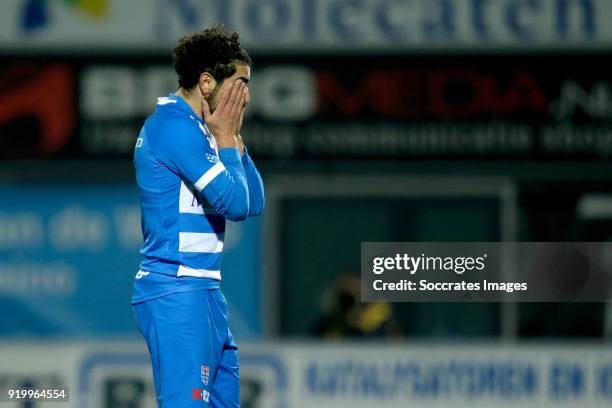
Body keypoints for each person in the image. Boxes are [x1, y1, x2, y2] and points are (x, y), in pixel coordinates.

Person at [131, 25, 264, 407]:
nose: (247, 96)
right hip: (176, 290)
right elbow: (235, 206)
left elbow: (254, 202)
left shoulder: (203, 130)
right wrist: (225, 140)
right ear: (207, 82)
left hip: (204, 291)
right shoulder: (173, 127)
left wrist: (232, 139)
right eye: (240, 84)